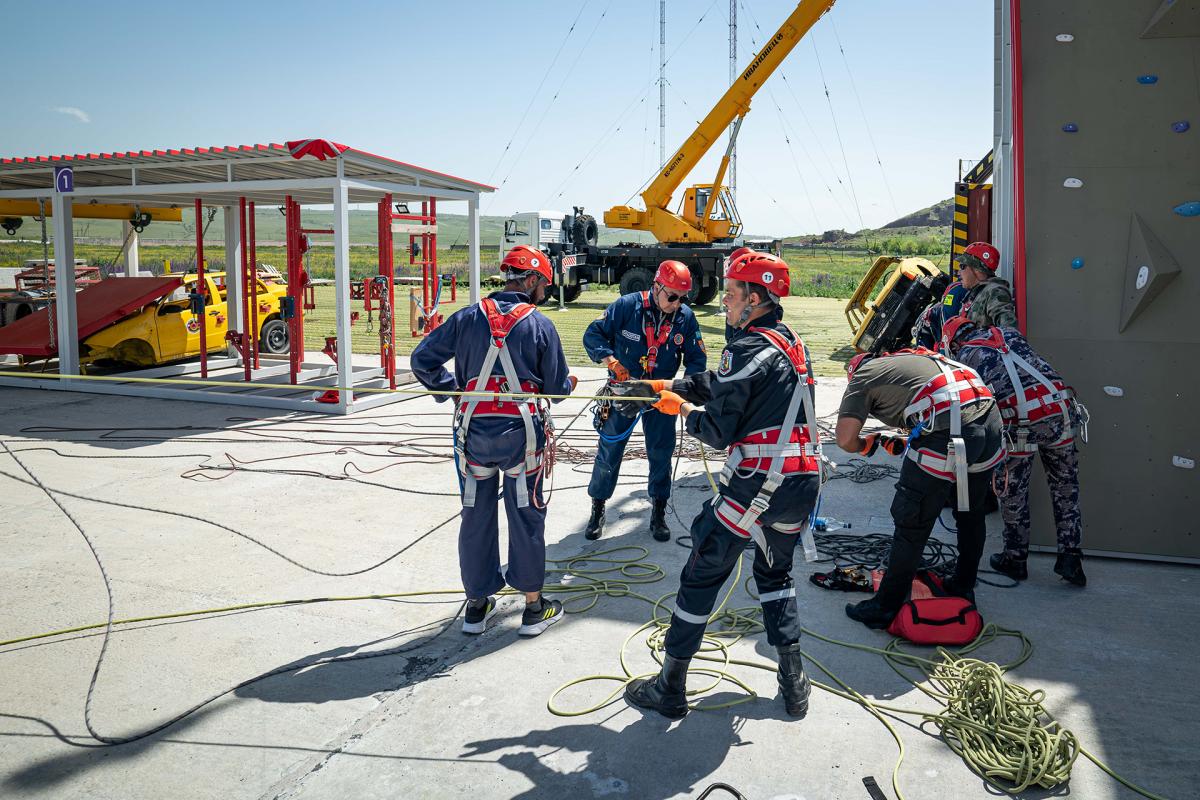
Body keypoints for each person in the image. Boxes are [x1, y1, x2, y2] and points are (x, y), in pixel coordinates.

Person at [623, 251, 820, 720]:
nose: (724, 305)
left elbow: (718, 430)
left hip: (756, 485)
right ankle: (794, 688)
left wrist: (682, 411)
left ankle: (670, 687)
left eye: (731, 296)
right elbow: (727, 383)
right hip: (801, 484)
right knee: (775, 576)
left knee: (702, 572)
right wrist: (665, 384)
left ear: (754, 299)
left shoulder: (745, 348)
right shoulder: (791, 344)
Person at [411, 245, 577, 637]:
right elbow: (554, 389)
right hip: (522, 439)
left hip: (474, 438)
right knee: (526, 512)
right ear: (533, 279)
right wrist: (568, 384)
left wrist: (452, 390)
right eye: (543, 285)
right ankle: (534, 608)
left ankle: (476, 605)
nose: (544, 293)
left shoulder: (467, 317)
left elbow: (422, 360)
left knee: (476, 514)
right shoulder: (540, 325)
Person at [835, 346, 1004, 629]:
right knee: (971, 512)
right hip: (990, 423)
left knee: (911, 518)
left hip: (951, 429)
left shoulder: (861, 377)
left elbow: (845, 439)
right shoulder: (918, 360)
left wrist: (869, 444)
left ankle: (885, 606)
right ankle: (963, 587)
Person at [940, 316, 1087, 586]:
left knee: (1013, 492)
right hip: (1060, 411)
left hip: (1020, 423)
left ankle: (1015, 558)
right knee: (1066, 489)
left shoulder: (965, 356)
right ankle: (1071, 558)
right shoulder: (1009, 334)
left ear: (953, 342)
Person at [581, 260, 707, 542]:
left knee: (661, 453)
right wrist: (611, 361)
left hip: (661, 395)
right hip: (625, 392)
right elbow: (593, 333)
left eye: (682, 298)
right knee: (609, 451)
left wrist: (686, 390)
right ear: (656, 287)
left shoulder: (685, 317)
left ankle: (658, 512)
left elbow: (697, 359)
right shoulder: (626, 306)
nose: (676, 304)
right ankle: (598, 508)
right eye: (671, 296)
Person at [913, 241, 1016, 348]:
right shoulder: (974, 294)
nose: (958, 272)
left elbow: (1009, 332)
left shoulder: (994, 292)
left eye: (962, 267)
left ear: (977, 269)